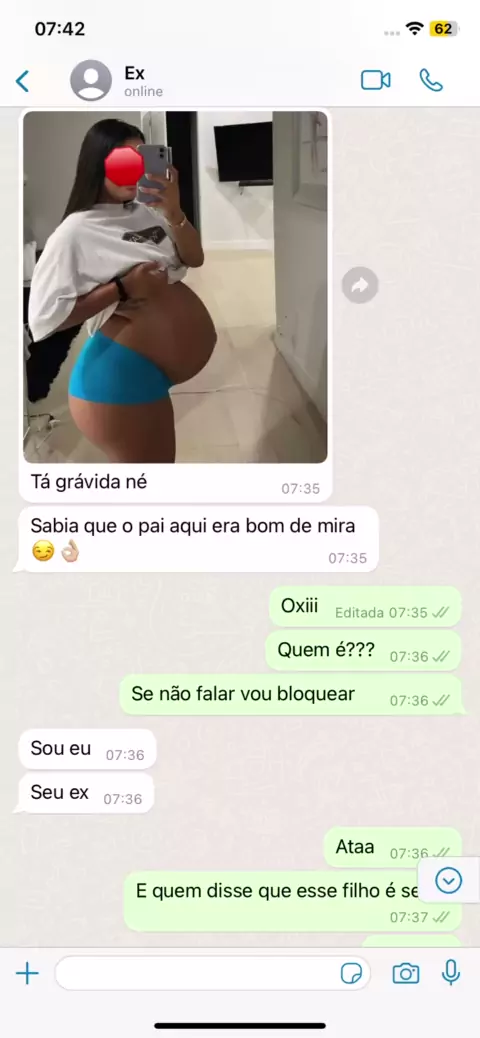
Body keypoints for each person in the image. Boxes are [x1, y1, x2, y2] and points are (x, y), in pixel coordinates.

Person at [28, 119, 217, 462]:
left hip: (148, 375)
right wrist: (122, 287)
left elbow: (195, 258)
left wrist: (174, 212)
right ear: (97, 164)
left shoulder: (147, 213)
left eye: (140, 161)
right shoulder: (74, 232)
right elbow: (43, 321)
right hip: (117, 380)